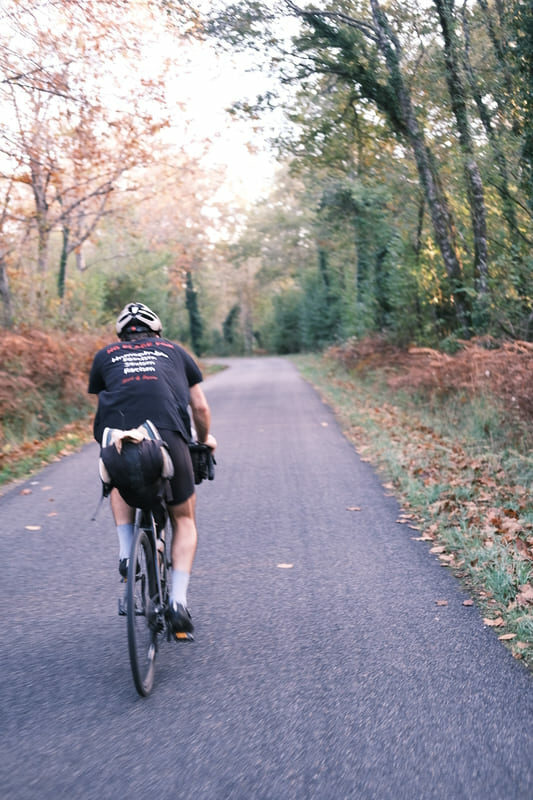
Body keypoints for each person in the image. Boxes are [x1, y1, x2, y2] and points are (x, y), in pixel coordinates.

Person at [88, 301, 216, 634]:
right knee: (184, 519)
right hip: (168, 437)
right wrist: (203, 440)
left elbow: (103, 405)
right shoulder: (174, 350)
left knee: (119, 482)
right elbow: (199, 407)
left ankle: (127, 551)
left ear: (121, 335)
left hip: (117, 440)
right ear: (156, 331)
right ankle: (177, 602)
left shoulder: (105, 356)